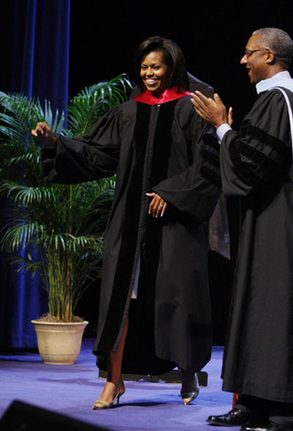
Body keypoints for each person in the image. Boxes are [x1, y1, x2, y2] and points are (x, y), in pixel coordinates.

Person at [31, 35, 220, 410]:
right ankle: (113, 383)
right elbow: (97, 153)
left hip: (175, 225)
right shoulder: (129, 111)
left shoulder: (190, 109)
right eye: (144, 67)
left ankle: (186, 376)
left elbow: (210, 164)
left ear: (172, 68)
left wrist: (170, 192)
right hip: (129, 223)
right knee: (120, 303)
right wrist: (54, 142)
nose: (149, 73)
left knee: (176, 298)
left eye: (157, 67)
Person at [191, 27, 293, 431]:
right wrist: (225, 133)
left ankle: (275, 408)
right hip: (266, 218)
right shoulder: (275, 100)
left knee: (271, 306)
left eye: (248, 53)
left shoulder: (278, 100)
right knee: (259, 303)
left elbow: (254, 166)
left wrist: (222, 128)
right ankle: (252, 402)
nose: (242, 61)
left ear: (268, 56)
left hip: (277, 220)